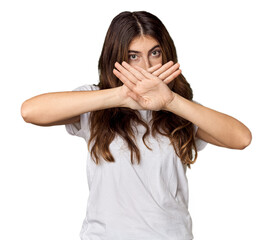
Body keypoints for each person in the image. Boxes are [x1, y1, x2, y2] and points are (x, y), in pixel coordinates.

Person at [21, 11, 252, 240]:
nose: (146, 66)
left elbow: (242, 138)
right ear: (117, 57)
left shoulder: (180, 109)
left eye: (155, 53)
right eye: (133, 56)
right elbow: (30, 111)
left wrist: (171, 102)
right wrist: (121, 96)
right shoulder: (95, 101)